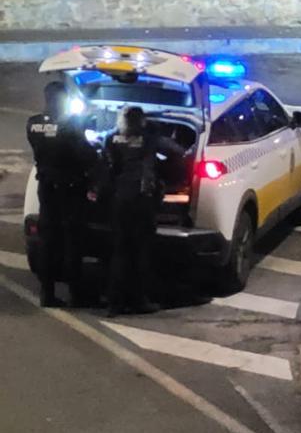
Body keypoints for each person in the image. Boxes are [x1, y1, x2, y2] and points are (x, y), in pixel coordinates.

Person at [104, 106, 185, 316]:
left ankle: (115, 303)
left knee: (120, 252)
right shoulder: (149, 139)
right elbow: (176, 151)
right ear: (142, 122)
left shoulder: (112, 139)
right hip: (141, 202)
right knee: (140, 252)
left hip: (119, 200)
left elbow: (109, 166)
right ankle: (138, 300)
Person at [26, 81, 96, 307]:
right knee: (72, 243)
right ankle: (76, 294)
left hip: (46, 189)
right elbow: (87, 155)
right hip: (70, 191)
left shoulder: (33, 124)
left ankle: (47, 293)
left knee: (48, 242)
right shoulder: (69, 127)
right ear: (61, 100)